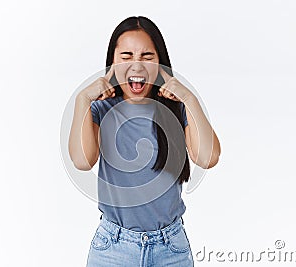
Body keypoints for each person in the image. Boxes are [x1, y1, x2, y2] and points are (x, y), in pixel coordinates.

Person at [68, 16, 221, 267]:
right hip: (113, 248)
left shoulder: (177, 109)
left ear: (160, 63)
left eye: (147, 57)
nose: (136, 66)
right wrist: (82, 100)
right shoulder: (101, 109)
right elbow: (82, 160)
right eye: (126, 57)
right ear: (112, 63)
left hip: (171, 248)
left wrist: (189, 99)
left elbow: (208, 158)